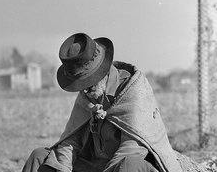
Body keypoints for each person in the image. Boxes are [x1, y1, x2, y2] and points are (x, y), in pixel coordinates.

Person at [22, 33, 182, 172]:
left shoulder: (133, 90)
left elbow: (131, 148)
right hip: (94, 165)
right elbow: (71, 141)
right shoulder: (87, 93)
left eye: (88, 83)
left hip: (125, 164)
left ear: (102, 72)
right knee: (40, 157)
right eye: (80, 85)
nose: (84, 91)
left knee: (128, 165)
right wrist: (63, 169)